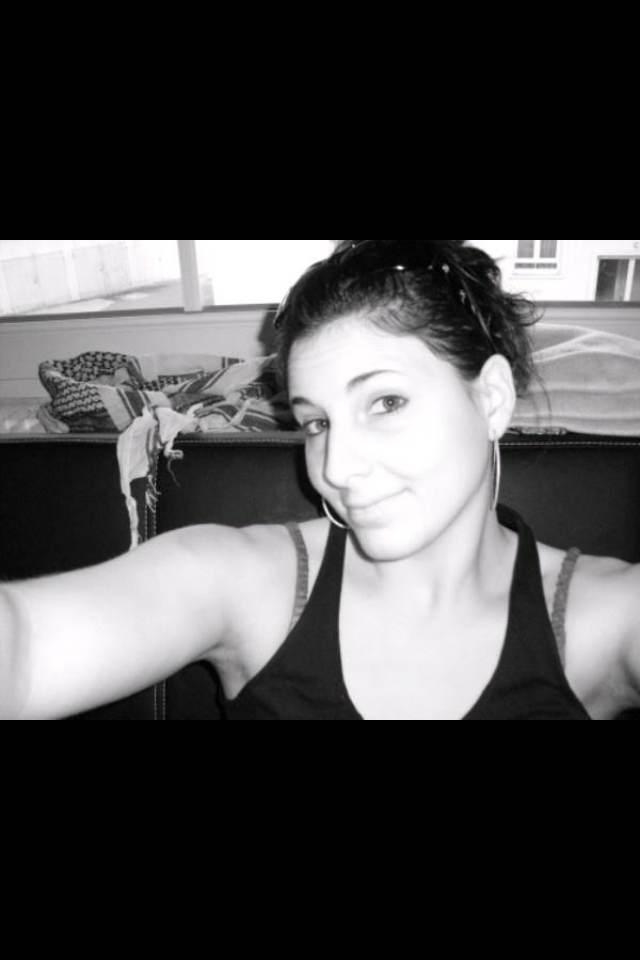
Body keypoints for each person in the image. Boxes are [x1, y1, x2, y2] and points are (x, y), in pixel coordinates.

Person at [1, 239, 639, 720]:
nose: (335, 467)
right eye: (317, 423)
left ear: (491, 398)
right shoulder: (248, 584)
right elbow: (24, 647)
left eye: (385, 402)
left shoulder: (603, 618)